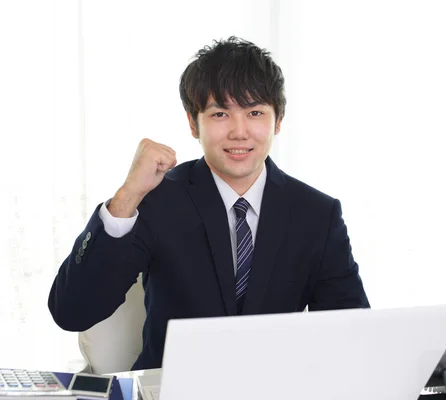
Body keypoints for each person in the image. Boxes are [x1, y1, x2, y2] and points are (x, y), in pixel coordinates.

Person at [48, 36, 369, 370]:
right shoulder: (157, 201)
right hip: (170, 390)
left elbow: (353, 338)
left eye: (255, 112)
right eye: (220, 114)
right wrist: (127, 195)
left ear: (278, 120)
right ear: (193, 123)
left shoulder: (317, 214)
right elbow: (72, 311)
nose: (239, 132)